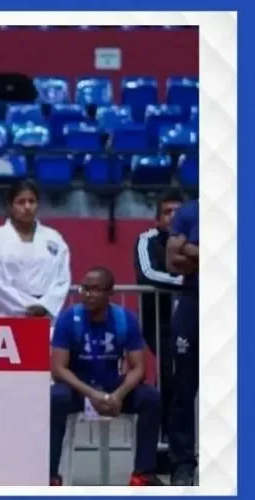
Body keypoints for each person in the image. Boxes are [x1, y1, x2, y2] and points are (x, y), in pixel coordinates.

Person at [49, 267, 164, 486]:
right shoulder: (67, 319)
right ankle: (50, 474)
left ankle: (143, 474)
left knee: (151, 398)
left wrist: (118, 395)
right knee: (55, 398)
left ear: (110, 293)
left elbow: (139, 368)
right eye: (84, 288)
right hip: (79, 387)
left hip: (112, 386)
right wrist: (93, 394)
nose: (87, 294)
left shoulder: (124, 319)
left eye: (95, 289)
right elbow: (59, 369)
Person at [133, 189, 184, 446]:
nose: (173, 217)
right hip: (159, 324)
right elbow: (147, 274)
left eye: (178, 212)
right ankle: (165, 440)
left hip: (189, 322)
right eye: (167, 212)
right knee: (168, 373)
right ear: (157, 218)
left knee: (183, 380)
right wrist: (184, 281)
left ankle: (179, 441)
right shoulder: (147, 240)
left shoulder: (196, 239)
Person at [0, 179, 71, 318]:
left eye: (31, 201)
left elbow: (63, 279)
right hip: (8, 314)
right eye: (21, 202)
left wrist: (45, 306)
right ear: (10, 206)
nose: (27, 206)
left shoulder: (54, 238)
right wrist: (26, 307)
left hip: (45, 315)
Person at [165, 198, 199, 486]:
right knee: (184, 386)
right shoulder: (190, 211)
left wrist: (191, 249)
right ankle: (183, 463)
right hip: (193, 300)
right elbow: (173, 261)